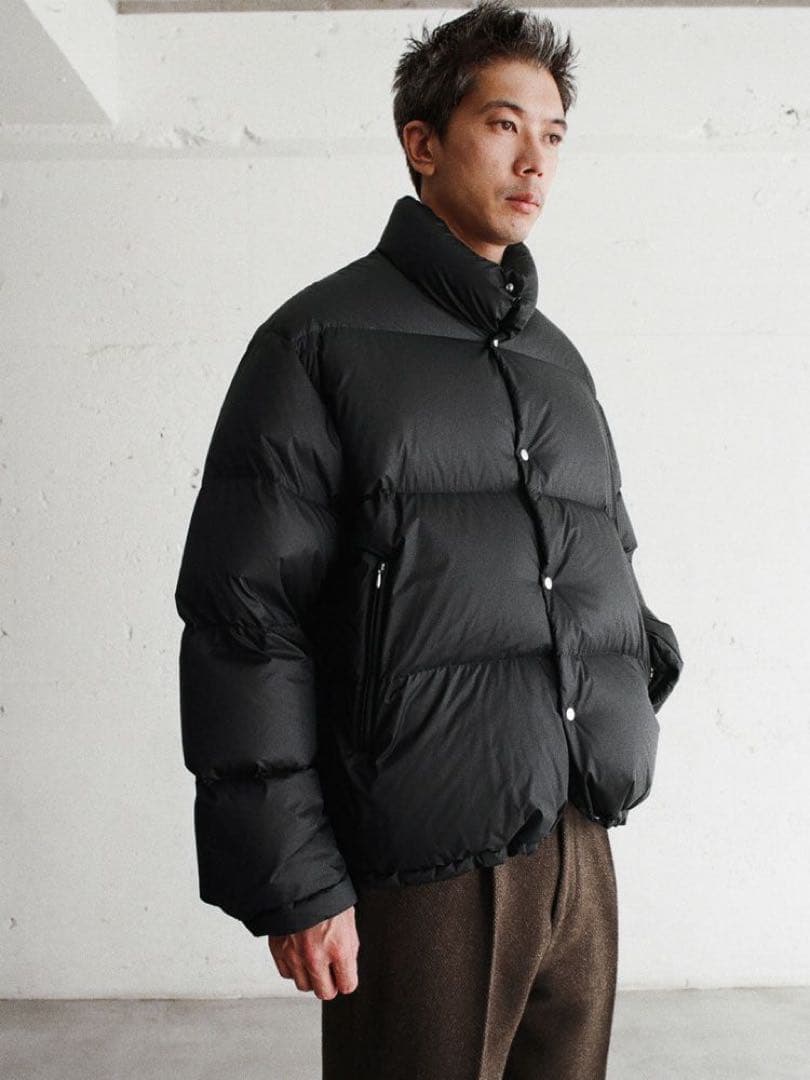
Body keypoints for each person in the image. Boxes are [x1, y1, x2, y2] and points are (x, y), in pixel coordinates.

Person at [174, 2, 684, 1077]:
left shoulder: (557, 362)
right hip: (420, 867)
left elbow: (606, 568)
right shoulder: (316, 343)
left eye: (552, 134)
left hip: (577, 848)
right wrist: (296, 881)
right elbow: (246, 621)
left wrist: (628, 699)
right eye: (503, 124)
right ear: (423, 141)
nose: (534, 161)